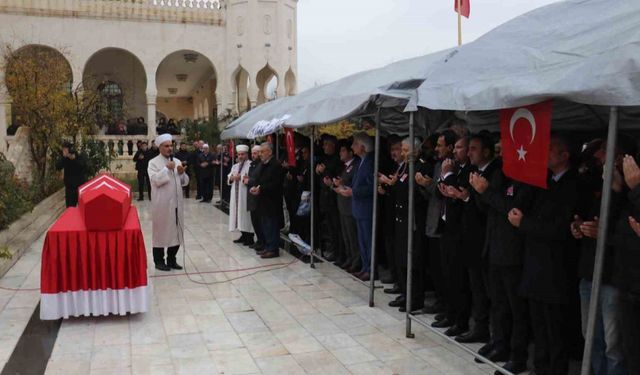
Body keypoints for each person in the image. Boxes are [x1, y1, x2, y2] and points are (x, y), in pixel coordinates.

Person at [507, 134, 579, 375]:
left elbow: (560, 228)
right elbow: (523, 205)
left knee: (554, 329)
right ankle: (540, 368)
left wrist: (524, 224)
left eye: (550, 150)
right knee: (538, 325)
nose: (545, 153)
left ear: (564, 156)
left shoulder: (573, 185)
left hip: (555, 268)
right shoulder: (544, 180)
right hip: (535, 264)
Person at [417, 130, 457, 316]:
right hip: (432, 221)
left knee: (446, 270)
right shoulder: (438, 165)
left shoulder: (451, 167)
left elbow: (442, 191)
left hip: (445, 225)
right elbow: (433, 193)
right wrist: (423, 185)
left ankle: (448, 306)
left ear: (450, 147)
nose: (437, 149)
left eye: (440, 145)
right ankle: (441, 301)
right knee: (435, 268)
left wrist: (429, 185)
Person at [147, 133, 189, 271]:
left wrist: (182, 173)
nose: (169, 148)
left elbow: (183, 182)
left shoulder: (176, 161)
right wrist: (166, 169)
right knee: (161, 232)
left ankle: (172, 259)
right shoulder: (153, 163)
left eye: (171, 145)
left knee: (175, 232)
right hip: (162, 205)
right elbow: (155, 181)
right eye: (166, 146)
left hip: (176, 205)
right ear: (160, 147)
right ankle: (159, 261)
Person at [340, 132, 374, 281]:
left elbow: (372, 186)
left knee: (368, 240)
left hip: (366, 207)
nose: (352, 147)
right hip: (359, 207)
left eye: (354, 144)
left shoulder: (370, 162)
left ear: (362, 146)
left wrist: (354, 191)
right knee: (362, 240)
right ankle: (365, 266)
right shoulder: (361, 161)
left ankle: (370, 268)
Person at [250, 142, 283, 259]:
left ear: (269, 152)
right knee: (265, 224)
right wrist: (256, 187)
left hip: (272, 201)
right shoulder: (264, 164)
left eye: (262, 152)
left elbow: (275, 184)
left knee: (271, 225)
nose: (260, 154)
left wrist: (261, 188)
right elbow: (260, 179)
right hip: (263, 200)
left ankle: (273, 249)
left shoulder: (276, 165)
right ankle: (268, 246)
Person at [333, 140, 361, 273]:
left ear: (350, 153)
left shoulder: (355, 165)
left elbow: (353, 184)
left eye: (343, 150)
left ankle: (356, 261)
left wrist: (343, 184)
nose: (340, 153)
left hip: (350, 206)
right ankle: (350, 258)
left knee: (352, 236)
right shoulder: (344, 166)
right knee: (346, 235)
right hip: (342, 205)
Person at [315, 135, 343, 262]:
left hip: (334, 198)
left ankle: (339, 252)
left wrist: (325, 172)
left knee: (337, 227)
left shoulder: (337, 160)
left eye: (326, 144)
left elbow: (335, 177)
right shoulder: (324, 158)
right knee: (329, 227)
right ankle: (332, 249)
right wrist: (318, 171)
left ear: (333, 145)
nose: (324, 146)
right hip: (324, 197)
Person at [228, 144, 254, 245]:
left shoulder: (251, 165)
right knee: (238, 215)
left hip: (245, 195)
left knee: (246, 216)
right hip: (236, 195)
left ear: (247, 154)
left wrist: (241, 177)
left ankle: (249, 237)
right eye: (239, 154)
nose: (240, 156)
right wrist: (231, 178)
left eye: (242, 154)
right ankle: (243, 235)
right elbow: (230, 176)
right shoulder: (235, 166)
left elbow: (250, 177)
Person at [56, 143, 88, 207]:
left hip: (80, 187)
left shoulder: (79, 156)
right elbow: (58, 166)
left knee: (82, 208)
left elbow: (83, 167)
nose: (64, 152)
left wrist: (74, 159)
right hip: (69, 188)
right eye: (63, 150)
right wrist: (64, 157)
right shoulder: (64, 158)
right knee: (70, 208)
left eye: (66, 150)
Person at [245, 145, 265, 252]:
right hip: (252, 196)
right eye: (252, 153)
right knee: (254, 221)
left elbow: (259, 179)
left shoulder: (261, 165)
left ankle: (263, 241)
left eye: (255, 153)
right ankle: (259, 240)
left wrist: (249, 181)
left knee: (259, 221)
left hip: (258, 197)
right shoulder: (252, 164)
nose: (253, 155)